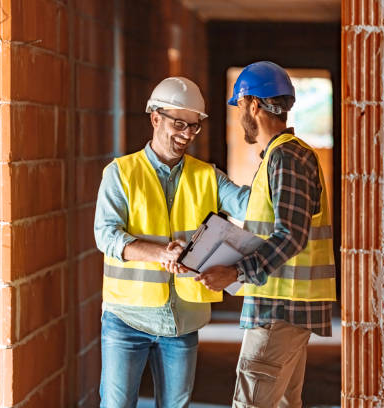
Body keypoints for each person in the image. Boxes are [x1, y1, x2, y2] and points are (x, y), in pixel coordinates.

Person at [94, 76, 249, 408]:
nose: (186, 134)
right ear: (155, 118)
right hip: (127, 318)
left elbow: (249, 205)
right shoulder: (121, 173)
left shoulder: (208, 175)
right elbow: (106, 235)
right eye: (179, 124)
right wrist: (159, 253)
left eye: (194, 127)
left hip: (182, 320)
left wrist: (277, 168)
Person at [196, 61, 337, 408]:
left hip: (279, 309)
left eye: (240, 106)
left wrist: (236, 272)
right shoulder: (280, 156)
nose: (241, 113)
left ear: (254, 105)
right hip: (281, 308)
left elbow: (291, 234)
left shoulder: (287, 157)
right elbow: (260, 213)